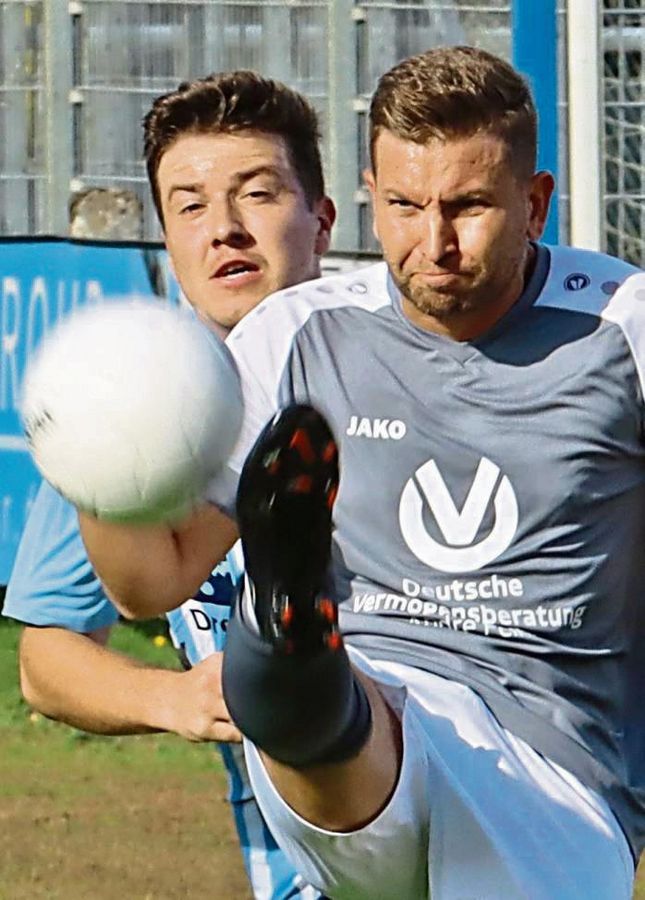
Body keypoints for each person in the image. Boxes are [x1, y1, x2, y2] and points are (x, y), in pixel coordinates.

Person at [73, 45, 645, 898]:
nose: (433, 242)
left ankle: (290, 640)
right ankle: (290, 628)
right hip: (372, 699)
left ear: (535, 203)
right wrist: (100, 460)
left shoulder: (622, 328)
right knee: (334, 717)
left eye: (467, 207)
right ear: (371, 197)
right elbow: (148, 582)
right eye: (405, 207)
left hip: (552, 766)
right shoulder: (296, 335)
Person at [3, 70, 336, 900]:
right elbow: (47, 660)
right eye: (189, 206)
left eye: (257, 195)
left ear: (322, 220)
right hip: (292, 874)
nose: (223, 230)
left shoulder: (394, 369)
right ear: (166, 237)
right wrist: (176, 698)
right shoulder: (141, 423)